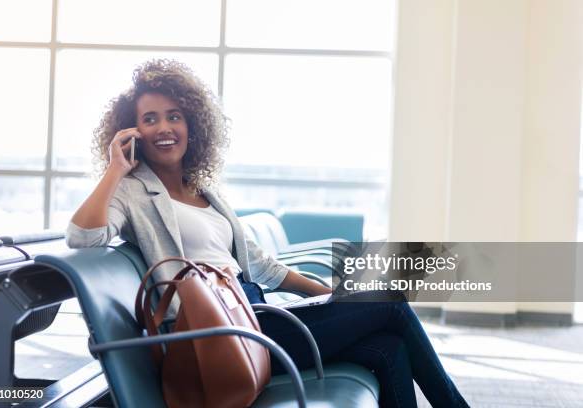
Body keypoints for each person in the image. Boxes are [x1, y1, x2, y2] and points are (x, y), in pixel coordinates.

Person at [66, 59, 469, 408]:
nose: (163, 127)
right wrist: (114, 170)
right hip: (222, 335)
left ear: (192, 124)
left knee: (389, 348)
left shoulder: (203, 189)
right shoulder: (133, 191)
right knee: (392, 303)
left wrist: (323, 294)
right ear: (131, 131)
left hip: (255, 313)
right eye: (149, 119)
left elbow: (258, 262)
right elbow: (84, 237)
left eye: (174, 116)